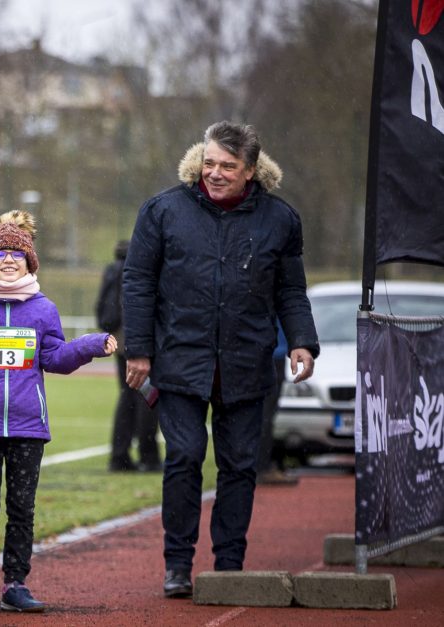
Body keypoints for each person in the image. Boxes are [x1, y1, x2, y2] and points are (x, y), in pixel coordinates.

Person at [122, 121, 319, 598]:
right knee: (184, 456)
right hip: (179, 361)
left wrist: (302, 341)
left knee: (239, 465)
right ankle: (178, 564)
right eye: (209, 163)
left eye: (227, 167)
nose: (214, 173)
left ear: (250, 170)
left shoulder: (280, 219)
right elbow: (138, 281)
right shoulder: (163, 210)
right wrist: (140, 350)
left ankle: (229, 563)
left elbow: (291, 289)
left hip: (247, 362)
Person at [0, 211, 118, 613]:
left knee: (22, 507)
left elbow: (56, 357)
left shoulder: (43, 310)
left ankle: (16, 584)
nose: (9, 260)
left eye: (17, 254)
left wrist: (90, 345)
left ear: (30, 262)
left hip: (28, 428)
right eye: (0, 254)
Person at [95, 239, 162, 472]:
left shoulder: (113, 270)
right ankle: (148, 456)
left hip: (117, 337)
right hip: (136, 339)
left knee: (127, 396)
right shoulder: (137, 269)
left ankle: (119, 456)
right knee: (148, 397)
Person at [256, 325, 297, 485]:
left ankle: (259, 465)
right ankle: (262, 467)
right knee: (265, 414)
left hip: (268, 350)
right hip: (272, 352)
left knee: (263, 413)